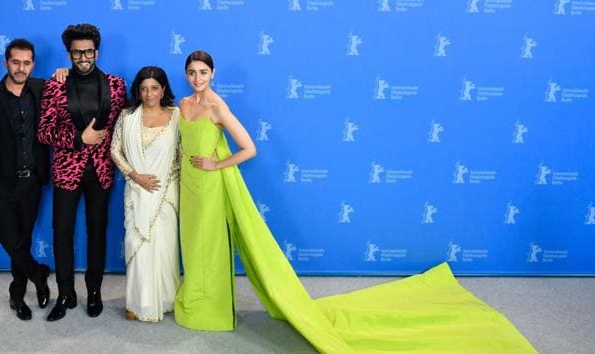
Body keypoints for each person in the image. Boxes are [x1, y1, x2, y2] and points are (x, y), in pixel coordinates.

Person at [175, 50, 536, 353]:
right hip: (188, 185)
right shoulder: (184, 105)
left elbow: (250, 148)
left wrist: (216, 164)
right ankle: (195, 299)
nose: (197, 78)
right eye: (191, 73)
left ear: (213, 73)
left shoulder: (218, 107)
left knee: (211, 247)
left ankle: (212, 311)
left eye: (203, 72)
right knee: (193, 245)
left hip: (210, 186)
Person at [37, 23, 126, 321]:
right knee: (62, 233)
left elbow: (124, 126)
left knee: (97, 233)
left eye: (88, 51)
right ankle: (65, 294)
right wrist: (79, 139)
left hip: (101, 171)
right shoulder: (55, 85)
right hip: (66, 171)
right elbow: (44, 132)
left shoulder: (116, 85)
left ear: (96, 51)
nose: (83, 57)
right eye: (77, 53)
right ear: (69, 54)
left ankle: (95, 291)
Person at [0, 38, 50, 321]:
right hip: (2, 183)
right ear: (6, 63)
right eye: (16, 62)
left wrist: (64, 70)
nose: (21, 67)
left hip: (33, 182)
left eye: (26, 63)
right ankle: (39, 274)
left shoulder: (41, 89)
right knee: (9, 239)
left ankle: (18, 293)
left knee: (23, 240)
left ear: (33, 65)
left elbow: (69, 87)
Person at [110, 66, 181, 322]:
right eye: (143, 88)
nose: (149, 94)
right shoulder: (127, 116)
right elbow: (115, 151)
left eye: (154, 88)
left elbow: (181, 156)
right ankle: (136, 303)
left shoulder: (176, 116)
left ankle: (165, 300)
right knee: (137, 245)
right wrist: (135, 176)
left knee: (164, 248)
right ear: (137, 91)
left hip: (165, 195)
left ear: (163, 89)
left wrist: (162, 186)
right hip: (136, 192)